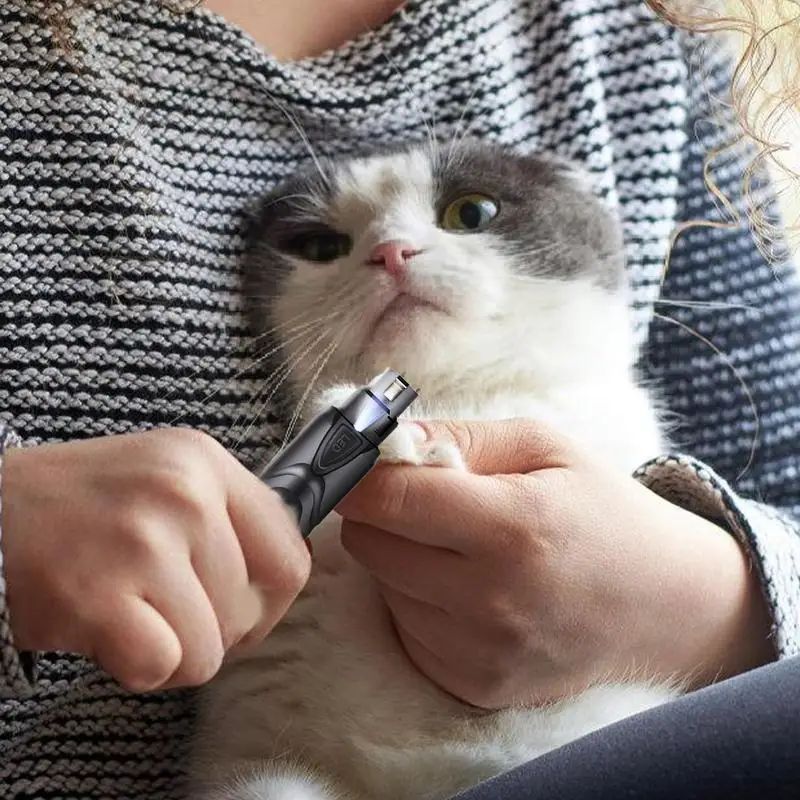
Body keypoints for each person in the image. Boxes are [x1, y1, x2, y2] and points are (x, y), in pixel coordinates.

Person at [0, 0, 798, 797]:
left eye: (468, 214)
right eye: (322, 244)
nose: (392, 248)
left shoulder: (634, 28)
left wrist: (709, 604)